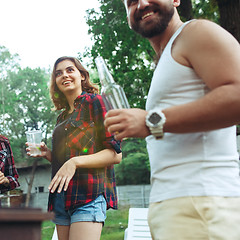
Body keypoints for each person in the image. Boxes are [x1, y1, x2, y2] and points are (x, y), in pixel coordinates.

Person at [104, 0, 240, 239]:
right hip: (173, 206)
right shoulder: (167, 57)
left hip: (202, 203)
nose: (142, 4)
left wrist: (150, 121)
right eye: (132, 1)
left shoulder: (196, 32)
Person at [27, 56, 122, 240]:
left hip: (88, 195)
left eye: (70, 70)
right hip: (61, 198)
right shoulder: (61, 118)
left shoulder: (96, 102)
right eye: (58, 73)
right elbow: (65, 163)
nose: (65, 75)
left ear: (82, 76)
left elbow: (115, 154)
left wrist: (75, 162)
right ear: (55, 82)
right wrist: (48, 154)